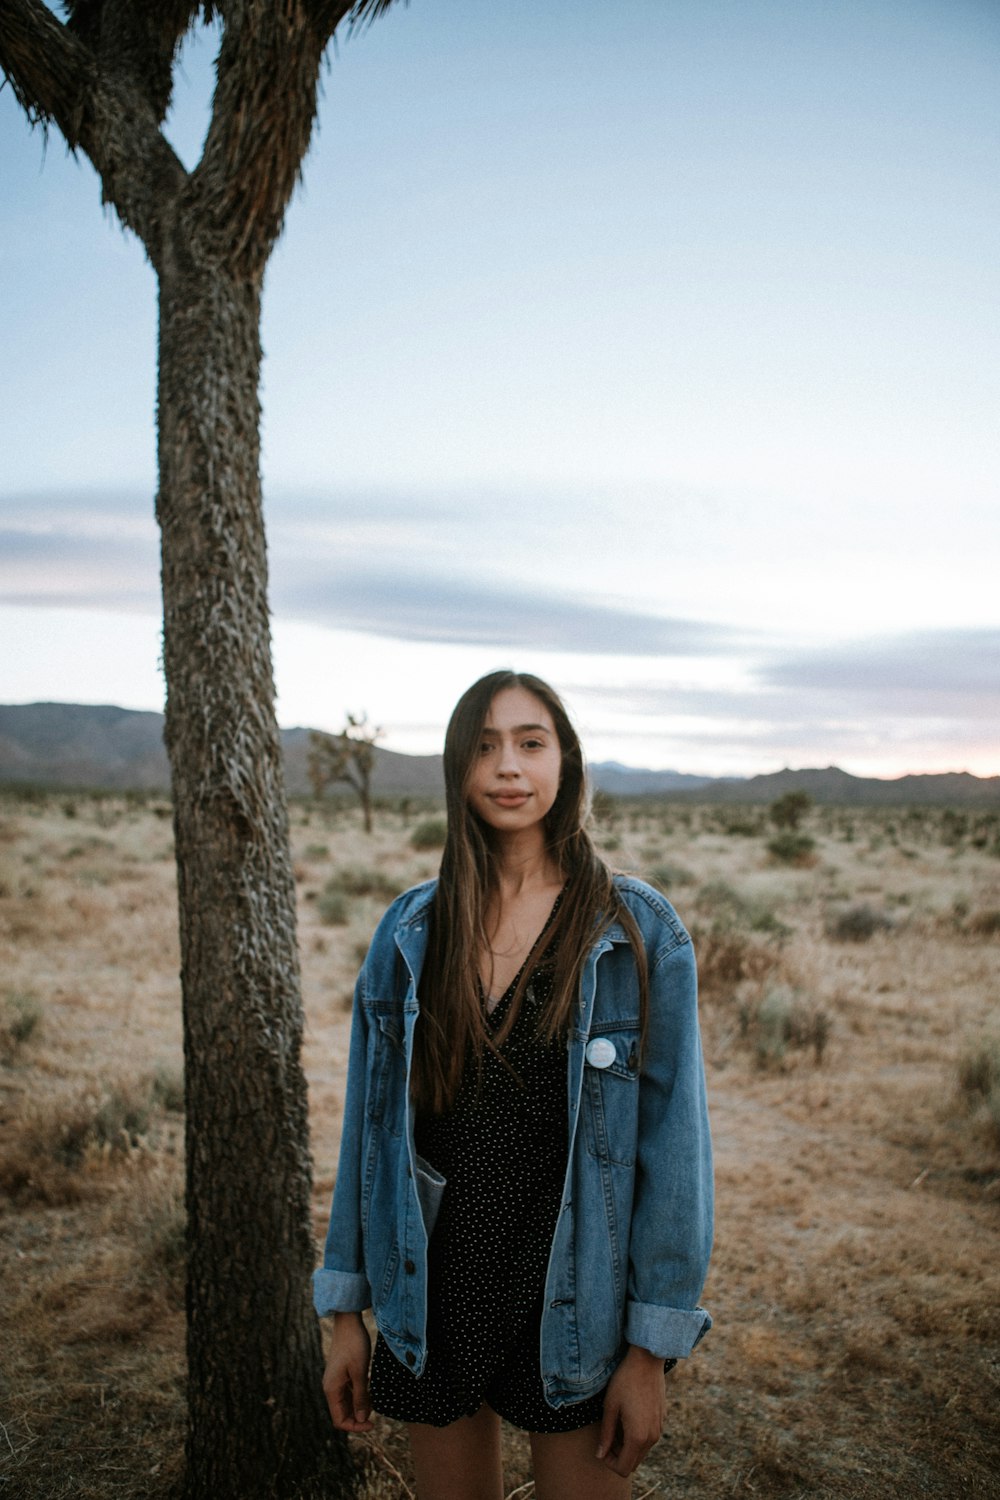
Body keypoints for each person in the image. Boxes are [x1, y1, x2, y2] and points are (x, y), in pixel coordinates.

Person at [314, 670, 713, 1500]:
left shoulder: (635, 932)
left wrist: (650, 1352)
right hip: (435, 1290)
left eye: (531, 743)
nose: (508, 766)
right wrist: (343, 1310)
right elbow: (370, 1130)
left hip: (576, 1294)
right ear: (459, 768)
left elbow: (675, 1153)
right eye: (486, 746)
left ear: (566, 762)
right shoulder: (412, 930)